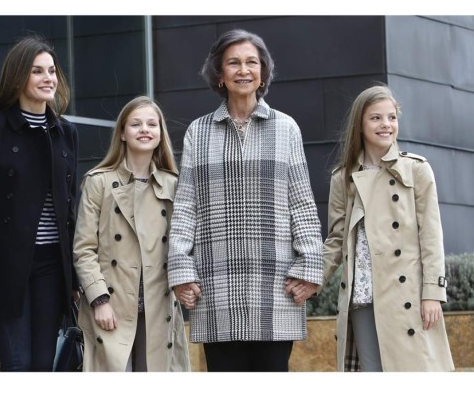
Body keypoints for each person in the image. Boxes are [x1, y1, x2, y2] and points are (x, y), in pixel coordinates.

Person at [167, 29, 324, 372]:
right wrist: (180, 269)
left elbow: (302, 203)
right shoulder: (199, 131)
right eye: (233, 62)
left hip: (276, 285)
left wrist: (310, 267)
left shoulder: (286, 128)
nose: (243, 70)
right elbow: (186, 206)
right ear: (219, 74)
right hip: (216, 284)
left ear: (263, 72)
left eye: (251, 62)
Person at [0, 35, 79, 371]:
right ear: (18, 76)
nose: (48, 78)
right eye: (37, 71)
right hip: (7, 266)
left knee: (43, 365)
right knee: (17, 364)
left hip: (53, 266)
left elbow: (71, 209)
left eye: (51, 71)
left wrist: (75, 278)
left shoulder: (65, 132)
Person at [321, 84, 455, 371]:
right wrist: (310, 278)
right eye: (376, 118)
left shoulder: (416, 170)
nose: (386, 125)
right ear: (360, 124)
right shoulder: (343, 177)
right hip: (363, 295)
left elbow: (431, 236)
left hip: (407, 296)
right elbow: (336, 239)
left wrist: (432, 293)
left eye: (392, 117)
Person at [72, 96, 190, 372]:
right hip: (111, 306)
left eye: (152, 124)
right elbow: (84, 248)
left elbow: (184, 246)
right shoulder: (98, 182)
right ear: (123, 133)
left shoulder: (173, 184)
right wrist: (99, 300)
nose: (144, 129)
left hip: (158, 307)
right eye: (136, 124)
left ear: (160, 133)